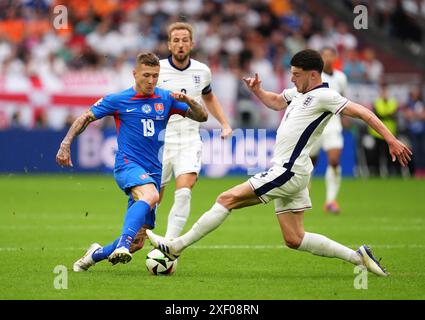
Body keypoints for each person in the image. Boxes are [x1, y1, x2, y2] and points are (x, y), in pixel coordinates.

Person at [146, 49, 412, 277]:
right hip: (295, 172)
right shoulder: (299, 93)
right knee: (294, 239)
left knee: (226, 198)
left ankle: (176, 246)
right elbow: (275, 102)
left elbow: (363, 112)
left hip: (288, 171)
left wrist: (390, 139)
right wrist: (258, 90)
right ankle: (358, 257)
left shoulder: (324, 96)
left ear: (313, 74)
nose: (292, 78)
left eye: (296, 74)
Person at [56, 52, 208, 272]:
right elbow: (86, 117)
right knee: (151, 196)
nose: (151, 80)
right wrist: (65, 143)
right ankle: (122, 245)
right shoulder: (118, 100)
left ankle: (93, 255)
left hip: (153, 172)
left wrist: (189, 100)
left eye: (155, 76)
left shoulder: (165, 99)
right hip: (128, 165)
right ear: (134, 73)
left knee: (138, 241)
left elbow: (202, 117)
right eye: (146, 75)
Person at [130, 22, 232, 251]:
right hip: (160, 141)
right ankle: (140, 234)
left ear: (192, 43)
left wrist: (224, 123)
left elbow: (209, 97)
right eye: (175, 40)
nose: (180, 44)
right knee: (154, 196)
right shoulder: (158, 70)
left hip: (189, 139)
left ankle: (167, 244)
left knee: (185, 191)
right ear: (168, 44)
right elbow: (140, 97)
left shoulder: (202, 71)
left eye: (185, 40)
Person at [309, 47, 347, 213]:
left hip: (333, 124)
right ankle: (303, 195)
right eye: (324, 56)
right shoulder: (314, 76)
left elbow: (344, 98)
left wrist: (345, 116)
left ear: (335, 57)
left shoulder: (341, 77)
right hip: (315, 124)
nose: (328, 59)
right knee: (309, 164)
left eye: (330, 55)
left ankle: (331, 201)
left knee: (334, 161)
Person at [367, 84, 400, 176]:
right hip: (377, 133)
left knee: (390, 154)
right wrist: (388, 114)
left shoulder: (393, 102)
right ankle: (376, 172)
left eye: (386, 92)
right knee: (376, 154)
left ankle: (391, 172)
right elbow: (378, 115)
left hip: (390, 133)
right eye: (383, 92)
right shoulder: (376, 102)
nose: (384, 94)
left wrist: (384, 115)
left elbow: (394, 116)